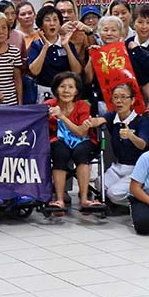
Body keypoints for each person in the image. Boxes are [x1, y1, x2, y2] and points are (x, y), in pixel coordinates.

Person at [45, 72, 103, 214]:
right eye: (62, 86)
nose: (66, 91)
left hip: (83, 140)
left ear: (76, 91)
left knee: (81, 152)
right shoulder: (48, 105)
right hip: (57, 141)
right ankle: (59, 200)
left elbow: (81, 133)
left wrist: (61, 116)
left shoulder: (83, 106)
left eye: (71, 87)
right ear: (56, 89)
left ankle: (84, 199)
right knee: (59, 152)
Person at [102, 83, 148, 207]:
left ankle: (141, 203)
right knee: (99, 186)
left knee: (113, 193)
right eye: (115, 97)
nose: (119, 101)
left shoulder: (141, 121)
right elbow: (99, 120)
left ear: (132, 100)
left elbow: (143, 145)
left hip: (135, 168)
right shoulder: (113, 117)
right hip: (117, 166)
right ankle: (120, 204)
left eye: (123, 97)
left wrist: (131, 136)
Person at [27, 5, 82, 102]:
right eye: (47, 20)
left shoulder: (68, 44)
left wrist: (66, 47)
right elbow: (34, 71)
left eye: (55, 20)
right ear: (41, 26)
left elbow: (77, 71)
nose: (52, 23)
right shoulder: (36, 45)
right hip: (44, 92)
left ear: (60, 24)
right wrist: (45, 47)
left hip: (66, 93)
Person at [126, 6, 149, 110]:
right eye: (140, 22)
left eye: (148, 22)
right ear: (133, 24)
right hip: (131, 93)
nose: (144, 26)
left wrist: (137, 50)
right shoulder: (128, 42)